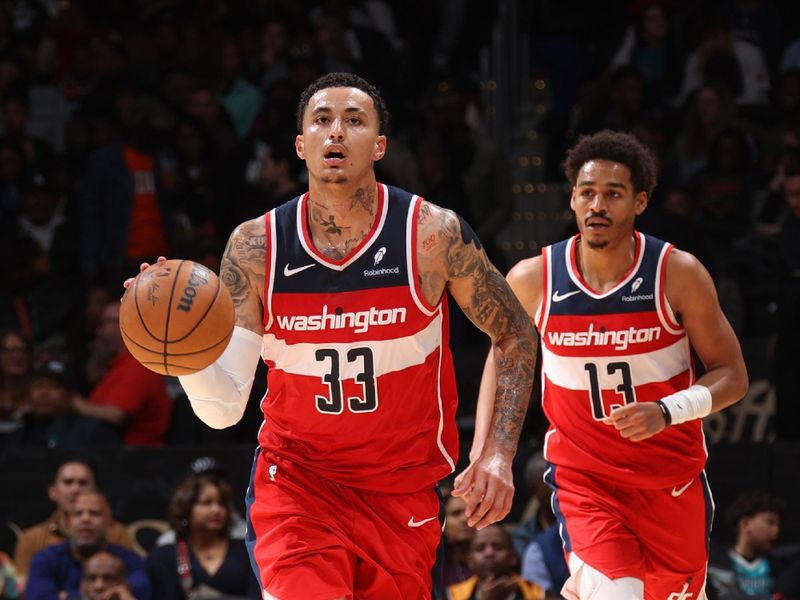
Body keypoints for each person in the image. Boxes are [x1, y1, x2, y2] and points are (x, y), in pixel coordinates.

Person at [128, 72, 536, 599]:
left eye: (354, 121)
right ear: (301, 145)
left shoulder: (431, 234)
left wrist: (496, 452)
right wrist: (179, 351)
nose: (336, 132)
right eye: (321, 121)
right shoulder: (256, 246)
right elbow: (225, 407)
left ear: (380, 146)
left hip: (401, 492)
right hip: (298, 486)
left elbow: (516, 334)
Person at [467, 130, 748, 599]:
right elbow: (501, 367)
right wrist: (488, 454)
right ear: (573, 199)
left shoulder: (677, 273)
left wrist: (667, 411)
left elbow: (733, 376)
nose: (598, 204)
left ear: (639, 202)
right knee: (616, 592)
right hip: (586, 480)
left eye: (613, 194)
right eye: (587, 192)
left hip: (670, 479)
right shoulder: (534, 279)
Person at [13, 459, 134, 581]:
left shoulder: (117, 533)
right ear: (53, 492)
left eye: (83, 483)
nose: (76, 489)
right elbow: (26, 588)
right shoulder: (31, 539)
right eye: (68, 482)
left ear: (96, 491)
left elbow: (129, 583)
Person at [147, 470, 260, 599]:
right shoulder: (163, 556)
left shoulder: (247, 551)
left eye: (222, 503)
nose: (217, 510)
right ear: (186, 507)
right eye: (207, 502)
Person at [73, 301, 171, 445]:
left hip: (135, 457)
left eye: (104, 324)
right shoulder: (117, 365)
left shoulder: (138, 365)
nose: (98, 332)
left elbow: (116, 415)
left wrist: (72, 402)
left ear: (124, 324)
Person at [25, 490, 150, 600]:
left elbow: (140, 593)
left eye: (94, 513)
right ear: (67, 523)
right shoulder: (45, 560)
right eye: (78, 513)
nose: (85, 519)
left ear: (110, 522)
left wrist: (68, 597)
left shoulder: (130, 560)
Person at [5, 359, 120, 448]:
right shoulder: (18, 435)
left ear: (69, 395)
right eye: (38, 386)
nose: (44, 393)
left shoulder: (93, 431)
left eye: (53, 387)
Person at [707, 490, 800, 599]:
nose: (776, 530)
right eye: (770, 522)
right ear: (745, 524)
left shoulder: (782, 568)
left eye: (778, 525)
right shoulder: (713, 566)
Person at [446, 524, 548, 600]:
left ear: (513, 557)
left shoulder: (537, 593)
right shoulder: (453, 595)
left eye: (498, 547)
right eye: (480, 548)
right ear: (470, 560)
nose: (489, 553)